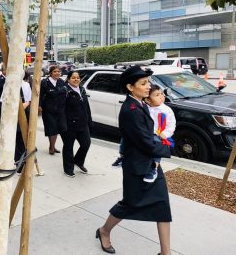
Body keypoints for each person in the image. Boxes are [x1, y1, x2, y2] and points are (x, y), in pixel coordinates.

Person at [97, 65, 172, 255]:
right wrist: (170, 148)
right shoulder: (131, 110)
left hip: (150, 165)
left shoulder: (140, 104)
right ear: (130, 87)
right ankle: (104, 231)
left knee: (162, 205)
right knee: (129, 204)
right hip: (137, 167)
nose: (149, 87)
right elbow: (145, 143)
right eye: (143, 83)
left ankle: (165, 253)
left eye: (148, 83)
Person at [58, 71, 92, 178]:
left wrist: (89, 121)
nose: (76, 79)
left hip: (82, 123)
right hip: (69, 125)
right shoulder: (64, 90)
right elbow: (60, 110)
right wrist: (63, 125)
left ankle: (78, 161)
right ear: (68, 79)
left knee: (86, 143)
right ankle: (68, 169)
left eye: (78, 78)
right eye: (73, 78)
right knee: (68, 147)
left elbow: (86, 106)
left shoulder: (82, 89)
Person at [144, 84, 176, 183]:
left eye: (162, 93)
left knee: (157, 147)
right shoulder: (145, 109)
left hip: (158, 135)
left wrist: (165, 134)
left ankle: (154, 168)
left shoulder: (166, 110)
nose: (162, 96)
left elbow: (171, 125)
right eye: (157, 95)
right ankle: (123, 155)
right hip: (146, 133)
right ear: (148, 100)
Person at [39, 65, 66, 155]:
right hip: (48, 110)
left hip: (59, 110)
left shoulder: (61, 82)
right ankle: (52, 147)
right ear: (50, 73)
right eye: (55, 71)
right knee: (52, 129)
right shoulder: (44, 82)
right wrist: (39, 106)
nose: (57, 73)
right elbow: (39, 95)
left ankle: (52, 146)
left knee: (57, 129)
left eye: (58, 71)